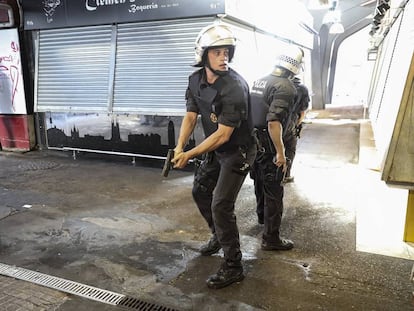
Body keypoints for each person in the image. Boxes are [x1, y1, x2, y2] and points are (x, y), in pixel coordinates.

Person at [171, 23, 256, 289]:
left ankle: (234, 265)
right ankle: (218, 235)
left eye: (227, 52)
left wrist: (190, 154)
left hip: (237, 151)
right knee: (200, 191)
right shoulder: (195, 80)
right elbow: (190, 115)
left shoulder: (235, 87)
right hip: (215, 150)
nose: (224, 57)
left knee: (221, 204)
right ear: (204, 55)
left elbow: (223, 135)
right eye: (217, 52)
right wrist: (178, 147)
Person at [250, 46, 304, 250]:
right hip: (269, 145)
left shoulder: (260, 80)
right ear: (295, 66)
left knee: (259, 183)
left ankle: (262, 218)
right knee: (274, 190)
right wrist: (280, 153)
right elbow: (274, 122)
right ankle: (271, 239)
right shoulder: (286, 87)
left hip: (255, 144)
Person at [283, 77, 310, 183]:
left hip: (274, 122)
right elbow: (303, 111)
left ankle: (273, 174)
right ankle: (286, 175)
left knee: (275, 148)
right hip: (291, 122)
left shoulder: (277, 83)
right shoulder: (302, 89)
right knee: (290, 149)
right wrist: (297, 125)